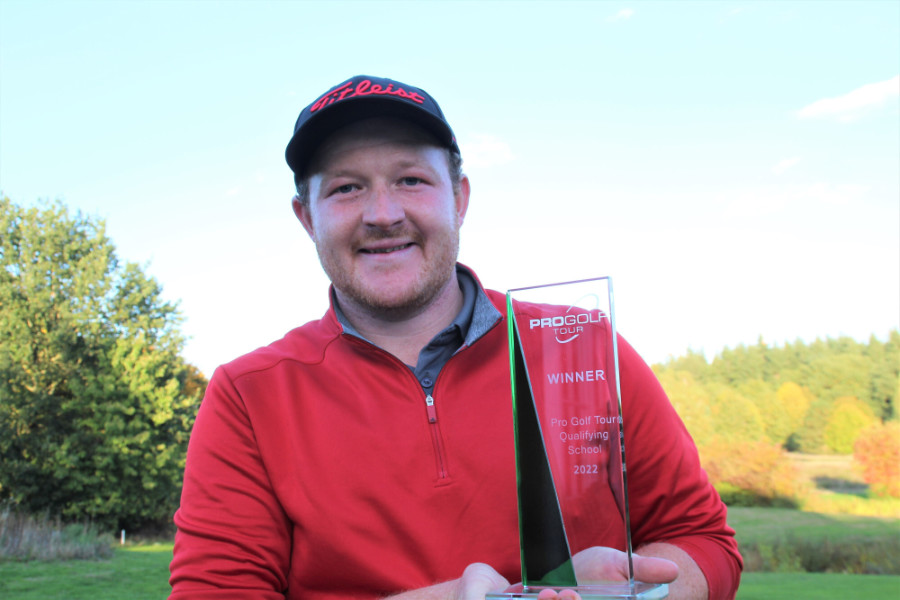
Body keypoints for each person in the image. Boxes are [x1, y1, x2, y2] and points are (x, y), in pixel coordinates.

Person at [169, 75, 742, 600]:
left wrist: (627, 593)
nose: (383, 213)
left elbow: (703, 541)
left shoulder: (580, 343)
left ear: (460, 198)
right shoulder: (248, 395)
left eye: (411, 180)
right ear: (306, 217)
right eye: (346, 188)